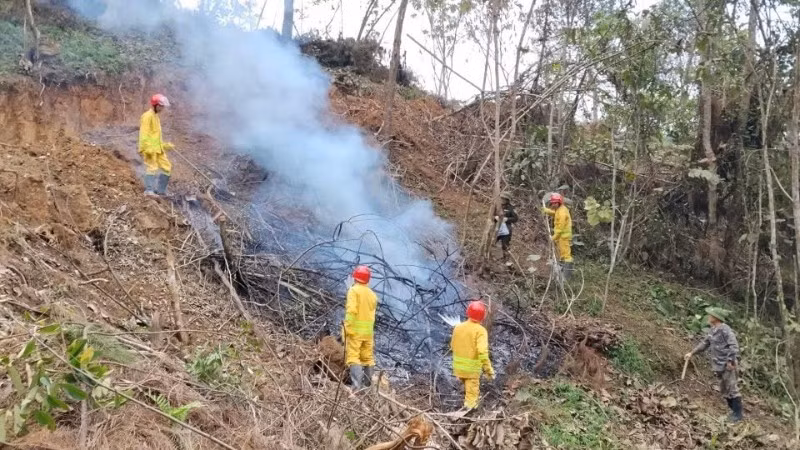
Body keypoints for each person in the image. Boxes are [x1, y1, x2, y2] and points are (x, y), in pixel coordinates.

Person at [684, 307, 743, 422]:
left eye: (710, 315)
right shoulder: (712, 330)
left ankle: (738, 414)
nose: (708, 317)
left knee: (732, 388)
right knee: (724, 390)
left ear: (716, 318)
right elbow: (705, 343)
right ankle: (733, 412)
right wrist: (692, 353)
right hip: (718, 365)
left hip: (728, 365)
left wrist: (731, 361)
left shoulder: (725, 330)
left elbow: (734, 346)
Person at [451, 300, 495, 410]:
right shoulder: (480, 331)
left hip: (457, 368)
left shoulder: (458, 327)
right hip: (471, 370)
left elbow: (452, 346)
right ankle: (468, 417)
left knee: (465, 388)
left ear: (468, 312)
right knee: (471, 398)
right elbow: (482, 352)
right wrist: (489, 370)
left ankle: (461, 401)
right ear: (482, 316)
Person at [343, 265, 378, 389]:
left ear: (355, 278)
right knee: (367, 357)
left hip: (355, 331)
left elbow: (351, 311)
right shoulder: (372, 294)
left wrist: (347, 328)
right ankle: (368, 386)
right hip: (368, 332)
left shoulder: (353, 291)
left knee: (353, 356)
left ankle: (356, 386)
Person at [138, 94, 175, 196]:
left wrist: (165, 145)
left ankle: (160, 191)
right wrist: (145, 148)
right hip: (150, 149)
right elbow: (144, 134)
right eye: (161, 106)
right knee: (152, 167)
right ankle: (149, 191)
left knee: (167, 167)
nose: (163, 108)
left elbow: (154, 136)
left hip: (158, 149)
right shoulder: (147, 116)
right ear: (156, 105)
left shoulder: (156, 117)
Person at [542, 193, 573, 277]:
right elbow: (555, 214)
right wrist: (546, 211)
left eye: (555, 203)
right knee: (561, 254)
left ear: (559, 202)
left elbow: (560, 228)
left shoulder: (562, 212)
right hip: (561, 237)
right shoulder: (559, 209)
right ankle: (561, 271)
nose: (553, 204)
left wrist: (554, 237)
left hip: (564, 236)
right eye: (552, 203)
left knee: (566, 255)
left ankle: (567, 276)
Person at [494, 192, 519, 260]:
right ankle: (490, 257)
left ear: (507, 200)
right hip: (496, 226)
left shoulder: (511, 208)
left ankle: (506, 260)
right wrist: (495, 217)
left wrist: (507, 219)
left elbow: (515, 218)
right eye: (501, 198)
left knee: (505, 245)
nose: (502, 200)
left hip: (506, 228)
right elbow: (491, 214)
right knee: (492, 241)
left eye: (504, 199)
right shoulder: (497, 205)